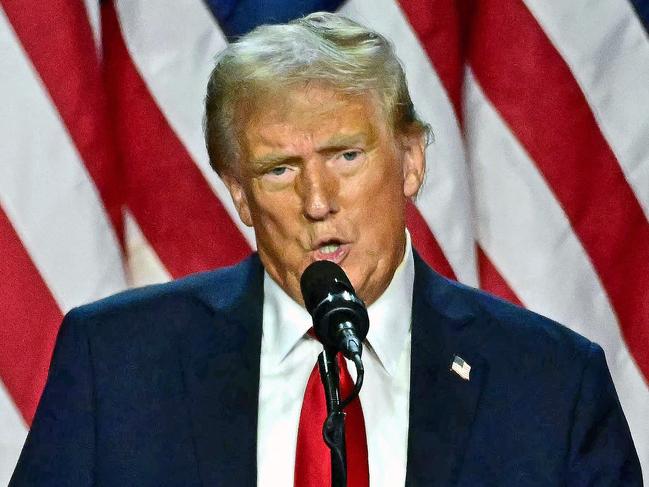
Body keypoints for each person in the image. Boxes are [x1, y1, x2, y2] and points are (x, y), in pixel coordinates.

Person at [11, 12, 641, 487]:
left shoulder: (550, 385)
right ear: (238, 195)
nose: (318, 200)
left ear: (412, 162)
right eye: (280, 170)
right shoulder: (117, 366)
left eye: (346, 156)